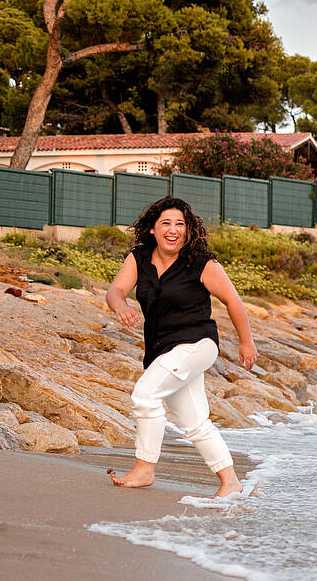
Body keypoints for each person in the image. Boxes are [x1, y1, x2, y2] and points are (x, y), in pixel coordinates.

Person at [105, 197, 259, 498]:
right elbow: (116, 290)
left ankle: (144, 468)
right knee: (194, 422)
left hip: (197, 344)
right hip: (162, 351)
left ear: (188, 230)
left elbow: (233, 301)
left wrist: (246, 341)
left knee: (145, 395)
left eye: (180, 224)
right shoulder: (139, 258)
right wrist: (120, 306)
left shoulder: (202, 263)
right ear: (152, 229)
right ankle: (231, 483)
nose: (173, 230)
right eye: (166, 223)